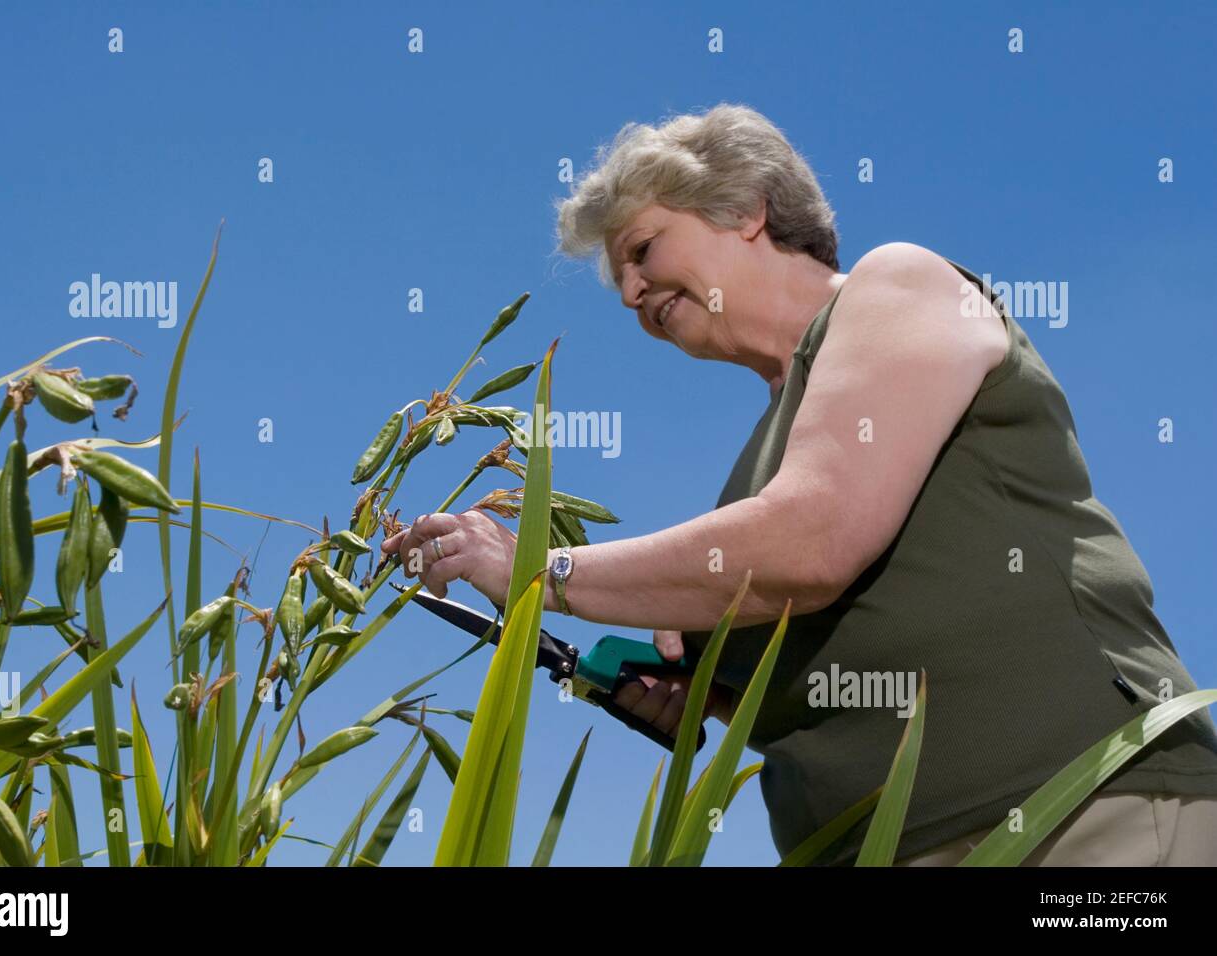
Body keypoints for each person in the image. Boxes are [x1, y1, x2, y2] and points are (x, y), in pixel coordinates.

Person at [381, 103, 1217, 866]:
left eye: (642, 250)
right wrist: (698, 691)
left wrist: (545, 572)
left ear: (745, 209)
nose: (632, 291)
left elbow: (814, 540)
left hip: (1082, 815)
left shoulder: (901, 287)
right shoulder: (754, 470)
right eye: (622, 282)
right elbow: (807, 635)